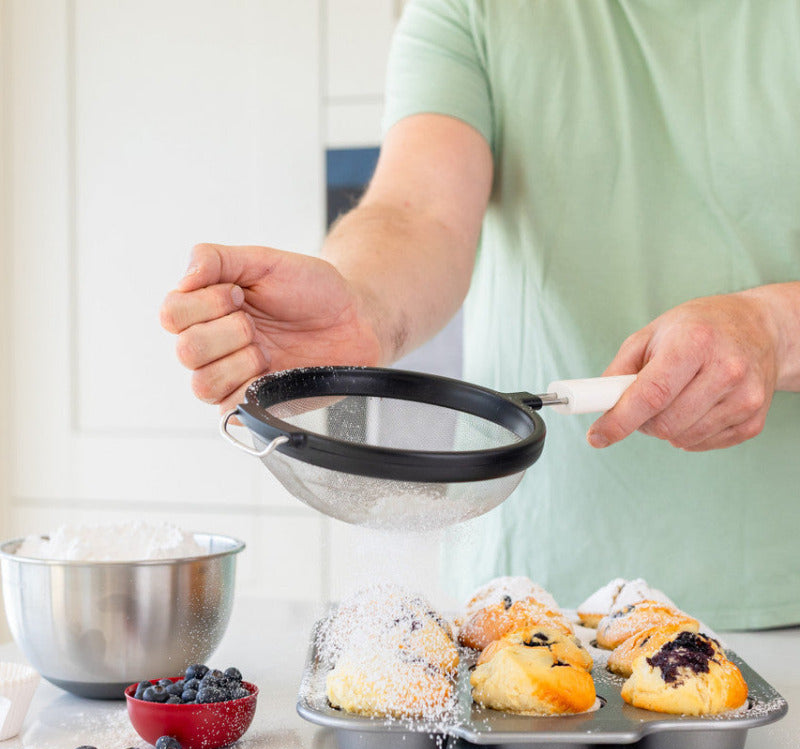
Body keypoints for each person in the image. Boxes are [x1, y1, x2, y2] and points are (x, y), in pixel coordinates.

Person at [160, 0, 800, 628]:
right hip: (526, 608)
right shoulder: (475, 8)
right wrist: (363, 306)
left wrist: (774, 326)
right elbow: (418, 212)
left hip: (782, 596)